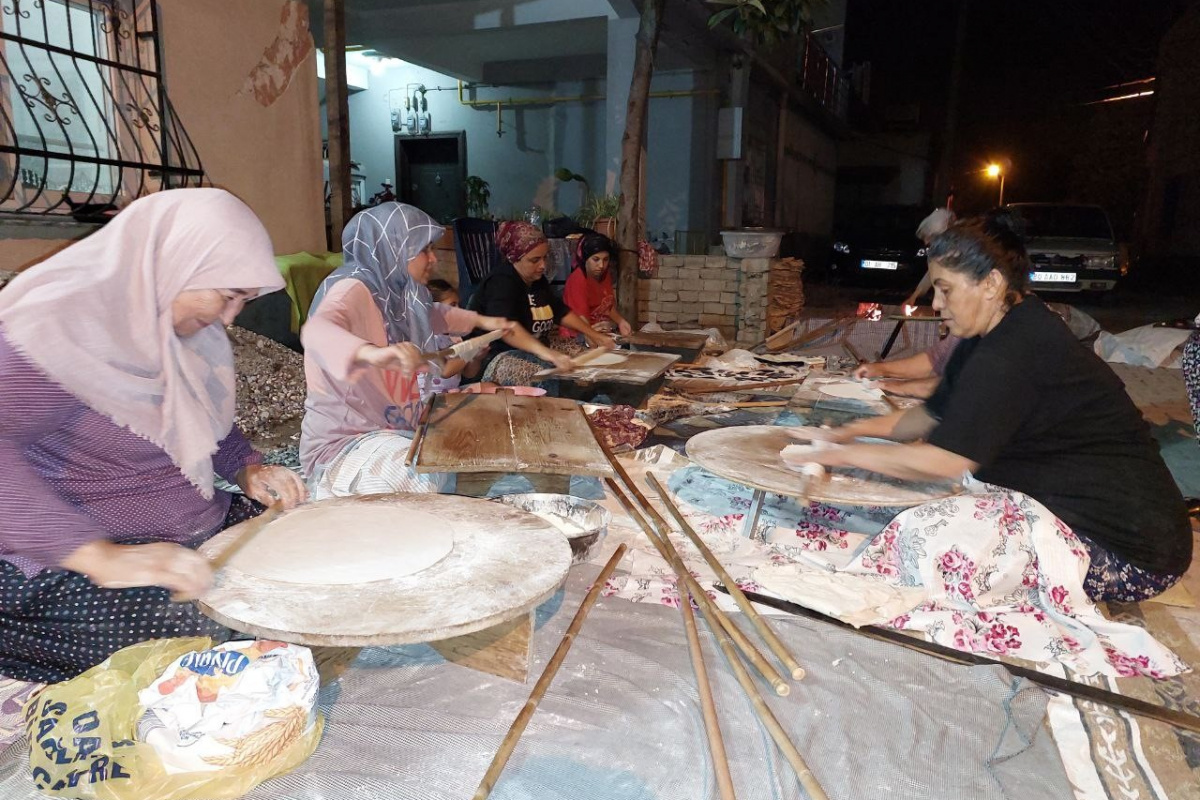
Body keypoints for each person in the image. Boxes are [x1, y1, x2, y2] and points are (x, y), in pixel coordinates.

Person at [792, 211, 1191, 603]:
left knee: (934, 552)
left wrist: (840, 455)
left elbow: (946, 461)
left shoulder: (1015, 349)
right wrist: (849, 432)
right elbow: (929, 415)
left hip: (1130, 554)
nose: (936, 303)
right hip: (1086, 519)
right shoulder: (989, 333)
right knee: (920, 513)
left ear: (991, 284)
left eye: (946, 289)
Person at [0, 188, 307, 682]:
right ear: (175, 262)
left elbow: (200, 423)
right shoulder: (53, 331)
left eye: (243, 302)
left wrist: (245, 467)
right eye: (227, 295)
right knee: (222, 638)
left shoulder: (182, 335)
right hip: (78, 557)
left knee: (313, 566)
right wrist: (101, 558)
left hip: (189, 532)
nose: (230, 318)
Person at [300, 203, 528, 499]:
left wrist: (484, 321)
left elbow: (437, 314)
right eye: (424, 250)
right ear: (393, 248)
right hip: (343, 449)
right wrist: (373, 353)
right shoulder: (351, 288)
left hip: (391, 433)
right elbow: (317, 332)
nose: (433, 259)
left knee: (470, 448)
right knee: (417, 473)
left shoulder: (401, 296)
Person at [468, 221, 614, 387]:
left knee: (586, 359)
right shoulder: (501, 283)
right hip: (496, 357)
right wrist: (549, 354)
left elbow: (560, 312)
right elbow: (506, 330)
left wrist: (595, 335)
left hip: (535, 349)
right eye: (535, 260)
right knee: (544, 374)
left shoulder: (537, 281)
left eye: (545, 258)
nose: (543, 265)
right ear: (515, 258)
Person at [560, 232, 632, 338]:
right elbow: (582, 321)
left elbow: (606, 306)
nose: (601, 265)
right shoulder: (577, 280)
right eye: (596, 259)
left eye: (606, 259)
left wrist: (621, 321)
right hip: (577, 336)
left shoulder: (605, 275)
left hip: (598, 333)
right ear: (585, 258)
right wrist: (597, 335)